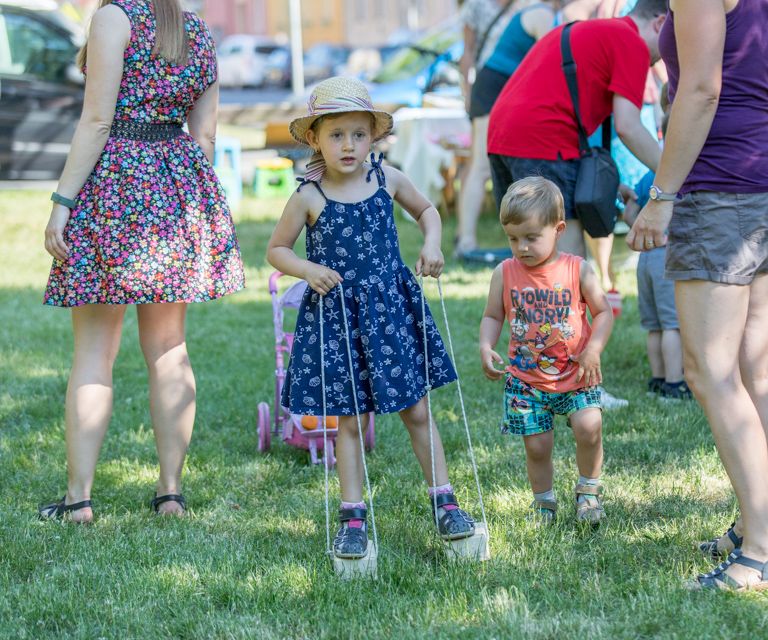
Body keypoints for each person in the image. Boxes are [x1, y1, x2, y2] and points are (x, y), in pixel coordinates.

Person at [39, 0, 244, 523]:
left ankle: (78, 500)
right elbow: (205, 138)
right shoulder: (195, 29)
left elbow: (98, 119)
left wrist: (62, 203)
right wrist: (186, 198)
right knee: (170, 349)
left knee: (93, 352)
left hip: (113, 189)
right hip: (176, 189)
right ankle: (170, 493)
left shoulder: (115, 18)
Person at [627, 0, 768, 590]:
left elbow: (699, 89)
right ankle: (757, 524)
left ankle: (764, 550)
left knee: (711, 371)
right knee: (758, 368)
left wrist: (662, 195)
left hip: (722, 188)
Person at [266, 77, 476, 559]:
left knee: (417, 409)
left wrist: (432, 243)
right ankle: (352, 514)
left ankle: (445, 502)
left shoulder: (387, 178)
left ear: (373, 138)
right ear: (315, 137)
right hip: (339, 316)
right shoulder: (309, 195)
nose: (348, 145)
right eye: (336, 134)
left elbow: (428, 212)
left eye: (359, 134)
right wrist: (308, 268)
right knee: (350, 421)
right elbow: (277, 249)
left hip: (389, 313)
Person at [478, 177, 613, 525]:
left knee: (590, 425)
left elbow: (603, 313)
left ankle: (588, 492)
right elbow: (494, 315)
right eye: (512, 238)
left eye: (531, 237)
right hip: (526, 381)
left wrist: (594, 349)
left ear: (559, 229)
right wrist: (485, 345)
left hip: (577, 374)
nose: (521, 247)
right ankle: (544, 503)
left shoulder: (578, 269)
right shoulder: (504, 273)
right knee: (537, 447)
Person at [487, 0, 665, 260]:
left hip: (502, 136)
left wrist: (613, 184)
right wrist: (673, 175)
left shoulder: (596, 31)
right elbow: (628, 126)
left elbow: (560, 104)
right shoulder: (632, 43)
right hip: (542, 139)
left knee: (530, 254)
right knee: (564, 262)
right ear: (660, 24)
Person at [458, 1, 568, 257]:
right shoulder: (541, 14)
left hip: (502, 89)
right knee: (481, 166)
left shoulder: (536, 12)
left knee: (480, 166)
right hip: (493, 88)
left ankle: (467, 239)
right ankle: (466, 242)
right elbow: (551, 58)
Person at [623, 174, 692, 401]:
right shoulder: (683, 169)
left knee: (654, 325)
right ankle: (674, 384)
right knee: (672, 324)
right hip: (667, 255)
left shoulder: (648, 175)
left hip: (645, 257)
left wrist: (644, 235)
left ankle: (658, 380)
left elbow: (628, 214)